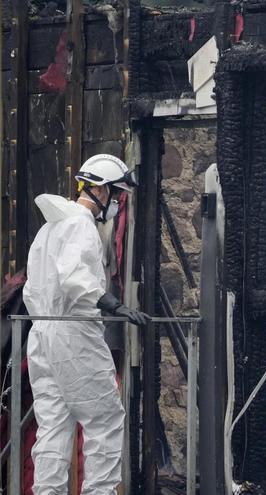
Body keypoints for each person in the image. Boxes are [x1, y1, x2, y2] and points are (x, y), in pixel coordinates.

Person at [23, 154, 150, 494]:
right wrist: (115, 305)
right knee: (105, 419)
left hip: (42, 334)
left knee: (54, 424)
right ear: (100, 191)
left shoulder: (49, 228)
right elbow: (74, 279)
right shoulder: (81, 225)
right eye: (118, 194)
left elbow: (35, 286)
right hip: (73, 333)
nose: (119, 203)